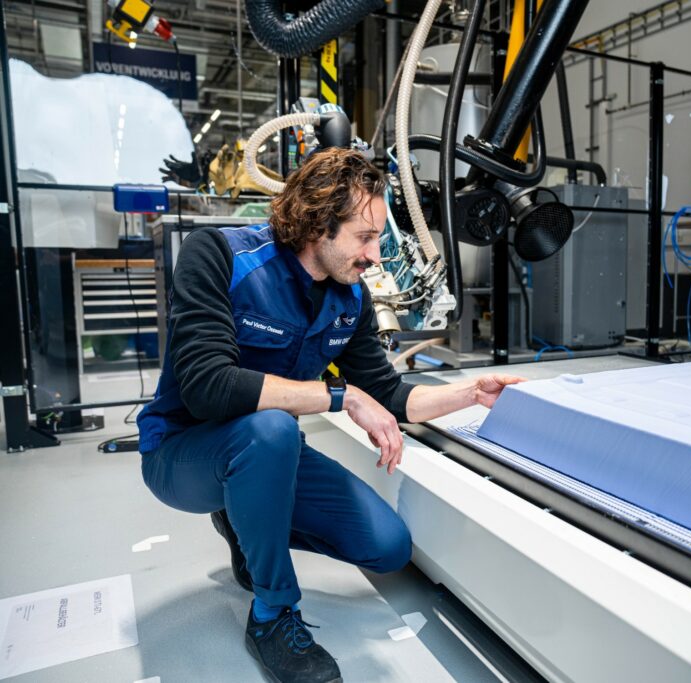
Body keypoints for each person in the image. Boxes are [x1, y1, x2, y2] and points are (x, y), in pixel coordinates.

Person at [137, 148, 524, 683]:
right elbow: (208, 389)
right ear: (318, 223)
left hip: (267, 456)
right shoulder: (221, 256)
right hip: (182, 453)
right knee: (270, 430)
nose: (375, 256)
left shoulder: (351, 299)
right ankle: (273, 616)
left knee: (387, 548)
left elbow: (388, 393)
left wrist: (471, 393)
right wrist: (341, 396)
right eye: (365, 238)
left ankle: (243, 522)